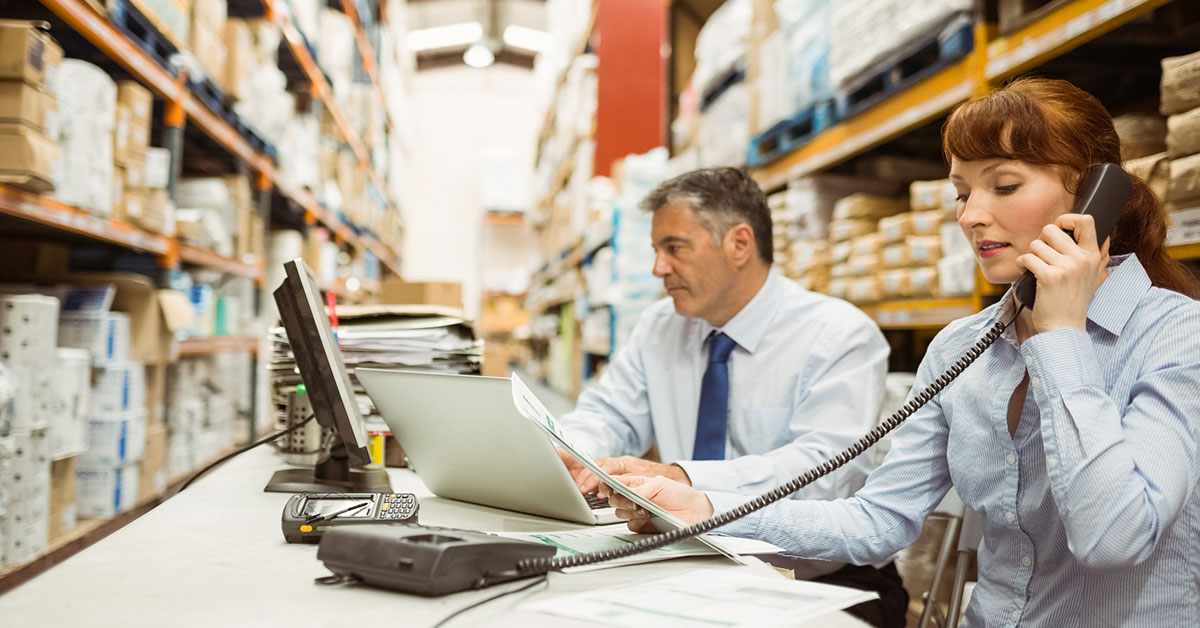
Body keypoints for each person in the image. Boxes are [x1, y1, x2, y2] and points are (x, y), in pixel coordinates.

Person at [600, 77, 1200, 627]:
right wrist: (703, 505)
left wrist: (1063, 337)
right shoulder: (964, 349)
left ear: (1097, 195)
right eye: (961, 193)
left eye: (1005, 185)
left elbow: (1114, 537)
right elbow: (878, 520)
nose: (971, 215)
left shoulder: (1176, 335)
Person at [557, 167, 907, 626]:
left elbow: (823, 475)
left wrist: (683, 477)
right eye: (656, 251)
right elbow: (608, 412)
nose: (658, 268)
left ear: (739, 244)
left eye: (674, 248)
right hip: (692, 560)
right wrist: (569, 449)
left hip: (819, 580)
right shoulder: (661, 326)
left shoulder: (838, 335)